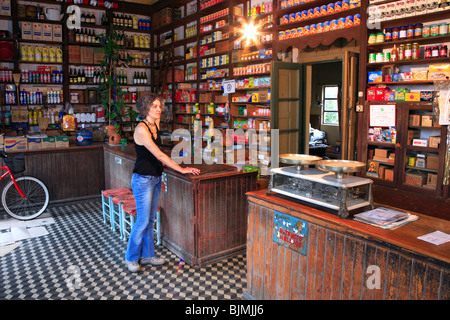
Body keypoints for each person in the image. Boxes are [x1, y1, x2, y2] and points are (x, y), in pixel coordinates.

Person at [125, 93, 200, 273]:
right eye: (154, 106)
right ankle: (131, 258)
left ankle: (149, 255)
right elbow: (158, 154)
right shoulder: (142, 129)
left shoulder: (155, 125)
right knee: (142, 222)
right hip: (143, 180)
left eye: (159, 106)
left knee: (150, 220)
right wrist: (181, 169)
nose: (159, 109)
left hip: (155, 178)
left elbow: (157, 156)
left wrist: (163, 174)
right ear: (145, 109)